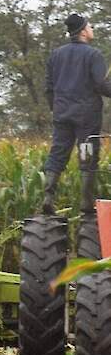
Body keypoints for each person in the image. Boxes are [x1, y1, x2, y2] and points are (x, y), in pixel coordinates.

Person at [42, 13, 111, 214]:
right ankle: (86, 204)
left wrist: (55, 108)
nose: (92, 29)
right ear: (82, 31)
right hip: (87, 116)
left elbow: (48, 87)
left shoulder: (56, 54)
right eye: (90, 26)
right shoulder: (94, 55)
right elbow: (101, 85)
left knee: (57, 154)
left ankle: (48, 197)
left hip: (62, 114)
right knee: (87, 155)